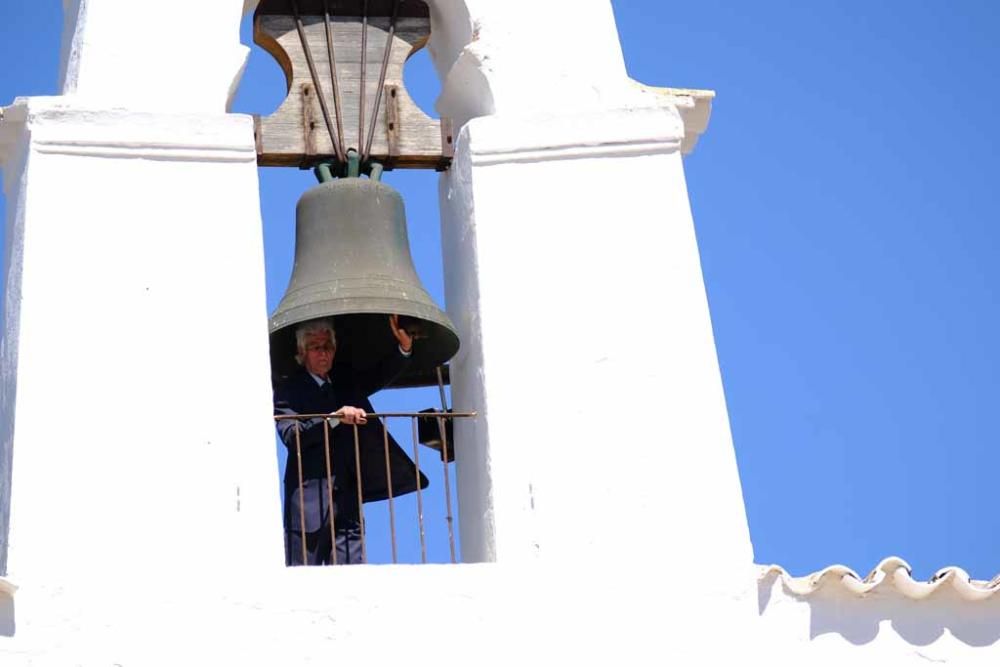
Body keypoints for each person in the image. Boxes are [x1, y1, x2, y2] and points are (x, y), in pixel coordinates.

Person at [273, 314, 424, 565]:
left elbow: (378, 375)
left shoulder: (344, 384)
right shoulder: (289, 392)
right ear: (302, 351)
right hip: (308, 509)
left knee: (353, 581)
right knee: (301, 586)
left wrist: (404, 348)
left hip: (348, 503)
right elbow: (292, 437)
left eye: (328, 347)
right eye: (316, 347)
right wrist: (333, 419)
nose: (324, 353)